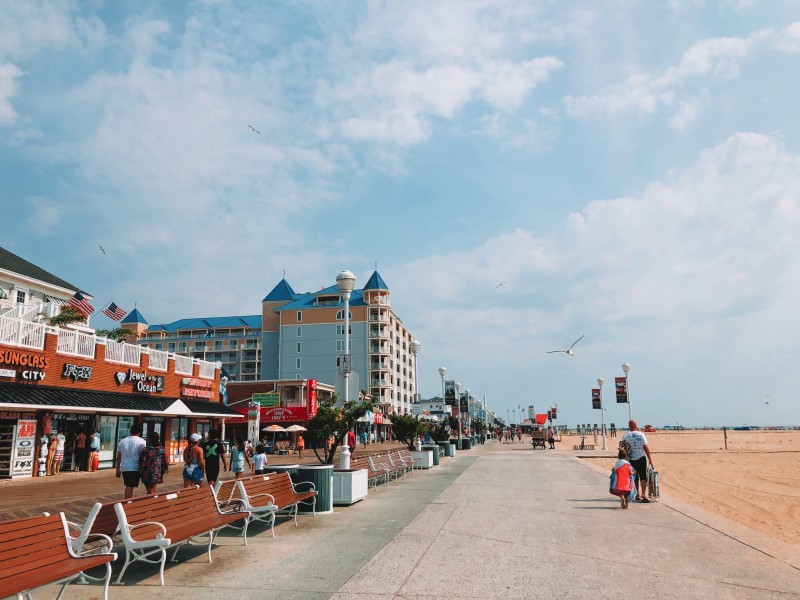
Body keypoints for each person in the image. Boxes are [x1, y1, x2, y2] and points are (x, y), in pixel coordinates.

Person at [620, 420, 654, 502]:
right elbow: (645, 448)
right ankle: (643, 494)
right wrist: (650, 459)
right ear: (636, 425)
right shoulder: (641, 434)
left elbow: (623, 450)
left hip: (631, 460)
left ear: (629, 426)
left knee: (634, 478)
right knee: (643, 477)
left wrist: (622, 461)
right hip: (642, 458)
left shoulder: (625, 436)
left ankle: (637, 495)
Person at [116, 423, 145, 498]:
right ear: (139, 432)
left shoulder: (122, 441)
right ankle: (127, 502)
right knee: (130, 486)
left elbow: (118, 457)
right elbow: (144, 455)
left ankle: (127, 501)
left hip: (125, 467)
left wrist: (118, 469)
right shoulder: (141, 442)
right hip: (134, 467)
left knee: (129, 485)